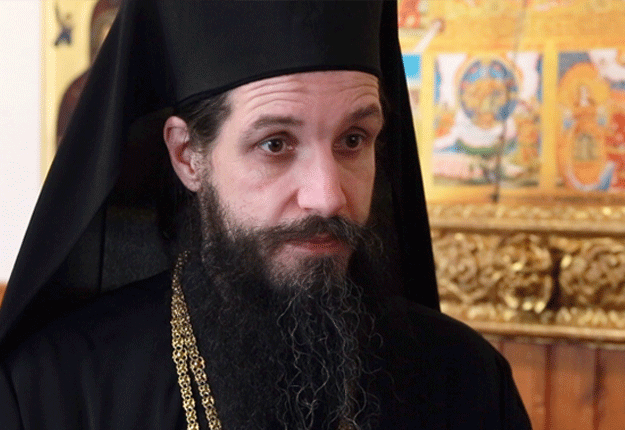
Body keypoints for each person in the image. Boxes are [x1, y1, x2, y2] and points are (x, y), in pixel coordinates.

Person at [0, 1, 531, 429]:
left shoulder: (466, 380)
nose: (327, 197)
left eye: (353, 139)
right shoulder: (52, 392)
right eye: (275, 143)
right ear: (188, 156)